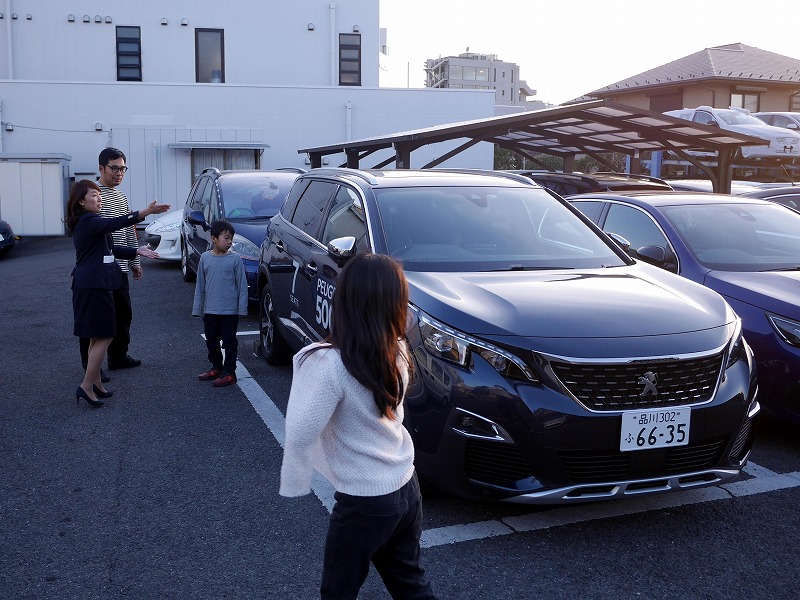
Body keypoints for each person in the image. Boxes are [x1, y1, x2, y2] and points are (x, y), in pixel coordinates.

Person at [279, 253, 437, 600]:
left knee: (338, 591)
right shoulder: (395, 349)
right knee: (410, 582)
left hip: (365, 502)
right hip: (405, 485)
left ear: (346, 300)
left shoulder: (329, 363)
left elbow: (301, 431)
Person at [66, 179, 170, 407]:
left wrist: (136, 250)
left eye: (99, 195)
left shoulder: (89, 222)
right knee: (105, 335)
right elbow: (115, 224)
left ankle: (96, 384)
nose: (99, 198)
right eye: (94, 195)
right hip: (94, 285)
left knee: (97, 336)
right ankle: (85, 386)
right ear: (81, 202)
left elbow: (110, 249)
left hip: (93, 284)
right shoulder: (91, 221)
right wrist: (143, 212)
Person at [79, 147, 142, 375]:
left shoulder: (121, 196)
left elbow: (128, 232)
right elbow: (89, 234)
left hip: (120, 267)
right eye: (114, 168)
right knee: (95, 320)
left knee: (123, 314)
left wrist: (135, 261)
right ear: (101, 168)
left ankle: (118, 356)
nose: (119, 173)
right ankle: (91, 368)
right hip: (98, 269)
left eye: (122, 168)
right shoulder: (91, 195)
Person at [191, 220, 248, 388]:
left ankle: (230, 372)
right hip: (210, 310)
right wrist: (197, 308)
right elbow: (200, 285)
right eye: (227, 238)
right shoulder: (205, 258)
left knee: (229, 342)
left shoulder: (235, 259)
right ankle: (216, 367)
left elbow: (242, 285)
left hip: (229, 311)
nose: (230, 242)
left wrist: (241, 308)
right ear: (213, 238)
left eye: (231, 238)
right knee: (212, 340)